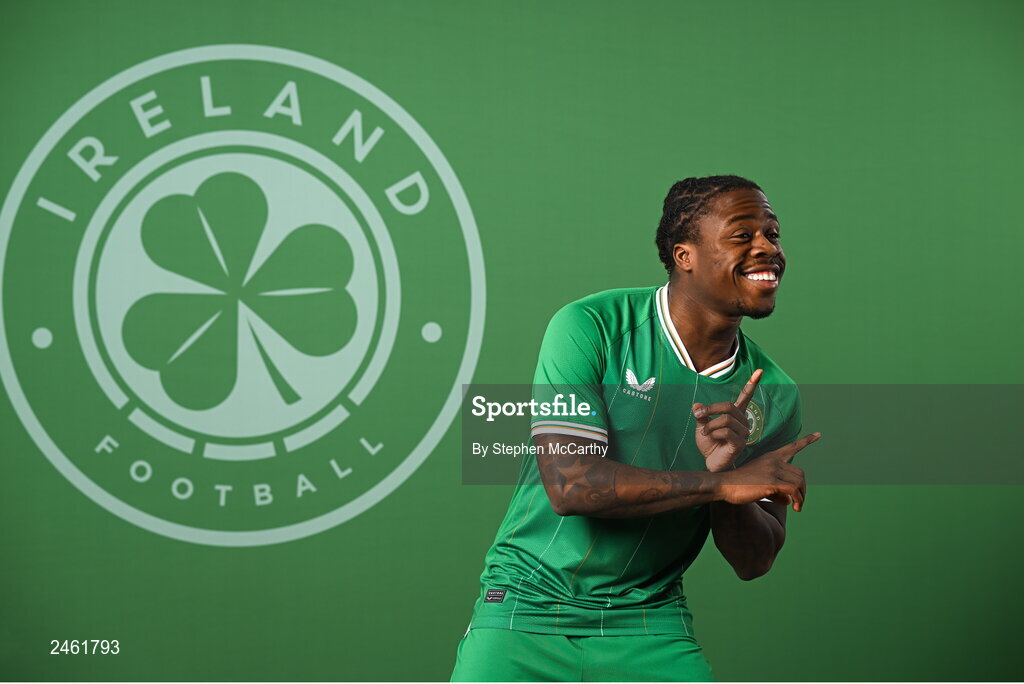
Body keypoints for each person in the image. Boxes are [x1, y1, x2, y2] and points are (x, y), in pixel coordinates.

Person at [451, 175, 822, 682]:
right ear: (684, 255)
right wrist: (720, 483)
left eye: (773, 235)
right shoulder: (590, 325)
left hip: (647, 621)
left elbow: (754, 560)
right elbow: (571, 484)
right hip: (525, 609)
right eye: (743, 235)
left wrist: (726, 476)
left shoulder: (775, 394)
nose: (767, 248)